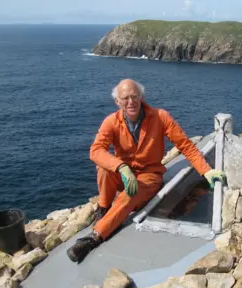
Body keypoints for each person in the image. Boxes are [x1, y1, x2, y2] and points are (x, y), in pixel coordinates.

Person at [67, 79, 226, 263]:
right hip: (125, 173)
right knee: (103, 168)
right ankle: (103, 209)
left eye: (134, 96)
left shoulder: (160, 117)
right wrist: (121, 167)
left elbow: (185, 145)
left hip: (149, 176)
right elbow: (96, 150)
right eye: (125, 98)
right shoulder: (111, 122)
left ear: (141, 97)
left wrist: (205, 170)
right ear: (117, 102)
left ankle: (94, 237)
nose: (131, 102)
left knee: (129, 195)